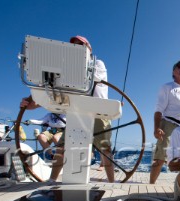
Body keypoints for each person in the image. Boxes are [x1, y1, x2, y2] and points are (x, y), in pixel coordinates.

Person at [20, 35, 115, 183]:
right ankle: (52, 180)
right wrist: (31, 100)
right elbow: (52, 91)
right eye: (74, 46)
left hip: (97, 112)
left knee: (105, 149)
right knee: (62, 148)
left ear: (89, 49)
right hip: (75, 113)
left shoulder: (98, 64)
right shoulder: (66, 71)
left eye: (81, 45)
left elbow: (83, 81)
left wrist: (61, 71)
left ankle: (111, 182)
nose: (77, 49)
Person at [150, 60, 180, 184]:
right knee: (160, 159)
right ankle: (150, 185)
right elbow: (159, 109)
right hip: (168, 124)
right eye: (178, 67)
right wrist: (156, 128)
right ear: (173, 72)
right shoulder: (167, 87)